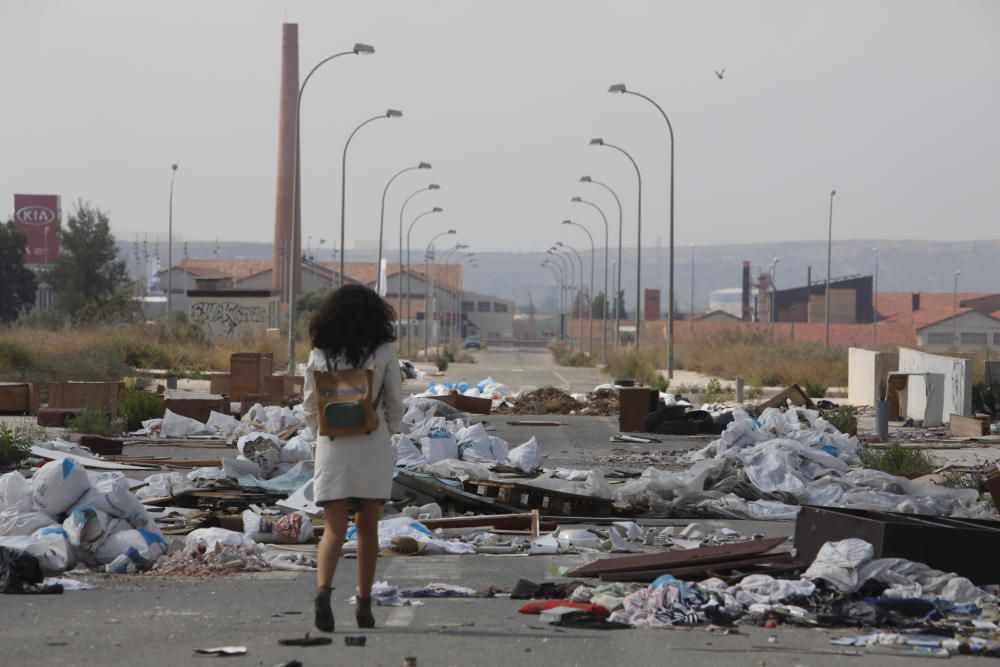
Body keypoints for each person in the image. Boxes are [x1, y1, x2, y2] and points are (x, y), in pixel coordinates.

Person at [301, 285, 403, 633]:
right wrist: (383, 430)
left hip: (332, 445)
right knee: (367, 527)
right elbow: (395, 405)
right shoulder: (384, 351)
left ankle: (323, 592)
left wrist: (322, 437)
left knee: (333, 528)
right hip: (371, 444)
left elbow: (308, 407)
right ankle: (363, 603)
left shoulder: (320, 353)